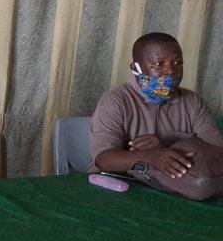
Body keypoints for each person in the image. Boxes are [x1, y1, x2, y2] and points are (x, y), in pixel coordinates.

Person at [90, 32, 223, 200]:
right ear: (136, 68)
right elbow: (103, 159)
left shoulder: (193, 102)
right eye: (159, 64)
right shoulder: (116, 101)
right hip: (118, 186)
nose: (171, 71)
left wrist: (168, 146)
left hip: (174, 187)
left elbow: (218, 150)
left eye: (178, 63)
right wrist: (149, 156)